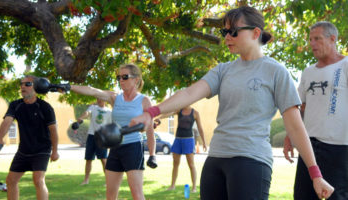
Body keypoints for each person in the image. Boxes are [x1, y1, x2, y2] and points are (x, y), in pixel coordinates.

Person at [130, 6, 334, 200]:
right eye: (224, 31)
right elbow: (190, 93)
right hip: (216, 160)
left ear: (255, 33)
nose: (227, 36)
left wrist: (315, 173)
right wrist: (152, 111)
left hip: (251, 161)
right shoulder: (223, 70)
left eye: (234, 31)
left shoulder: (276, 72)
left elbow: (295, 126)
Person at [69, 64, 157, 200]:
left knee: (137, 195)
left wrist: (152, 155)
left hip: (133, 148)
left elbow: (150, 130)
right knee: (110, 196)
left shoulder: (144, 101)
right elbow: (93, 91)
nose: (121, 80)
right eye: (119, 77)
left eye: (125, 77)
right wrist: (69, 87)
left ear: (136, 79)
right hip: (115, 148)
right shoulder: (115, 98)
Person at [283, 21, 348, 199]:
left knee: (337, 196)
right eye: (310, 39)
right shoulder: (308, 72)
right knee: (303, 195)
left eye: (317, 39)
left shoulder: (345, 65)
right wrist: (289, 135)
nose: (312, 43)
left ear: (332, 39)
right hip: (309, 147)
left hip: (339, 147)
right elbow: (300, 107)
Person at [0, 75, 59, 200]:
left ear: (36, 87)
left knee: (38, 180)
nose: (23, 86)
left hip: (41, 150)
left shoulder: (45, 108)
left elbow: (53, 131)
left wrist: (55, 151)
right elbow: (7, 122)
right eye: (21, 84)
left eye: (27, 84)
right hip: (23, 151)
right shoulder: (16, 105)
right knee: (11, 180)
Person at [160, 106, 207, 192]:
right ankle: (172, 185)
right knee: (175, 164)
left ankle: (194, 188)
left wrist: (204, 142)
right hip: (178, 139)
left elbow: (200, 128)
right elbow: (169, 113)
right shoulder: (179, 110)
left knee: (191, 165)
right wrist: (159, 117)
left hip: (188, 140)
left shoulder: (195, 113)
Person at [76, 98, 112, 185]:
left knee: (103, 159)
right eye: (98, 98)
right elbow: (87, 113)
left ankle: (108, 181)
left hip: (102, 137)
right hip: (91, 136)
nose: (99, 100)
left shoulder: (109, 112)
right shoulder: (93, 107)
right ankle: (86, 180)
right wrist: (80, 118)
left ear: (105, 100)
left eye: (101, 98)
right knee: (88, 159)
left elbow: (110, 126)